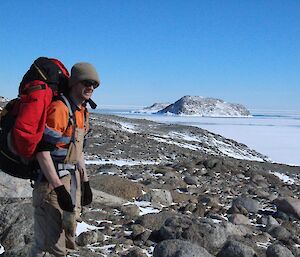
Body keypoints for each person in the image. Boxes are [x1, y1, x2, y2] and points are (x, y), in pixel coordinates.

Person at [29, 62, 100, 257]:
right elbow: (42, 152)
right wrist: (59, 189)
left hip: (71, 180)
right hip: (50, 186)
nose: (91, 88)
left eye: (95, 84)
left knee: (66, 237)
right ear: (74, 82)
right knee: (49, 246)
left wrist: (85, 182)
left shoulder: (82, 111)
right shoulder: (60, 109)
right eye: (87, 82)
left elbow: (77, 150)